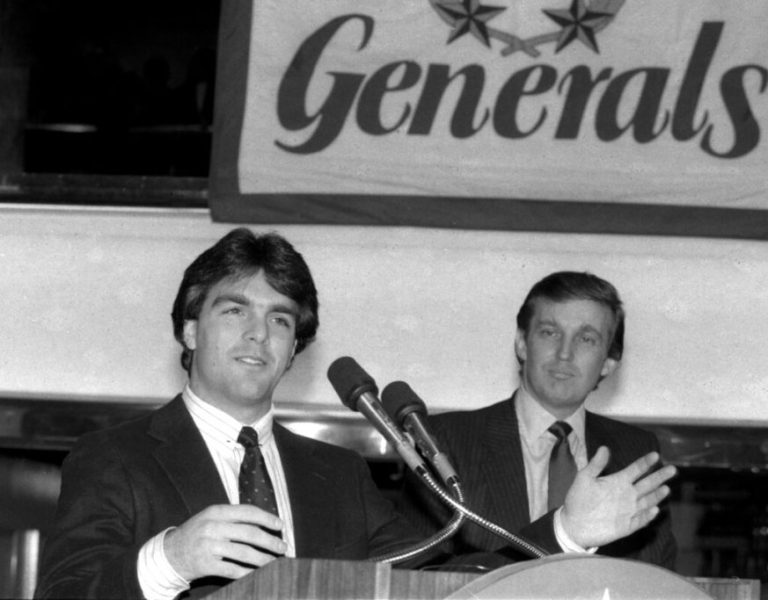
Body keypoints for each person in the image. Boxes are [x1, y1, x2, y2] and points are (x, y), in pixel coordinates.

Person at [36, 236, 675, 600]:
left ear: (296, 348)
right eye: (234, 311)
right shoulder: (113, 459)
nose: (258, 335)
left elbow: (447, 587)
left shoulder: (337, 473)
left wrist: (565, 531)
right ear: (188, 328)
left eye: (280, 321)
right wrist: (168, 559)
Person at [397, 271, 677, 569]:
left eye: (586, 338)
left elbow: (657, 579)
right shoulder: (444, 441)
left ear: (608, 363)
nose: (565, 353)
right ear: (521, 343)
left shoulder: (637, 453)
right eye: (549, 332)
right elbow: (420, 578)